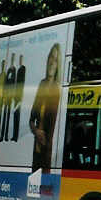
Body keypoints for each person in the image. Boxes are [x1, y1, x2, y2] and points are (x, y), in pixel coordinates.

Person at [29, 43, 62, 172]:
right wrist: (36, 131)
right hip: (36, 147)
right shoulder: (42, 84)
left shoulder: (58, 89)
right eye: (50, 58)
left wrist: (46, 144)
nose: (52, 62)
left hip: (48, 151)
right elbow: (31, 118)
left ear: (58, 65)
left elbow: (54, 125)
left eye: (55, 60)